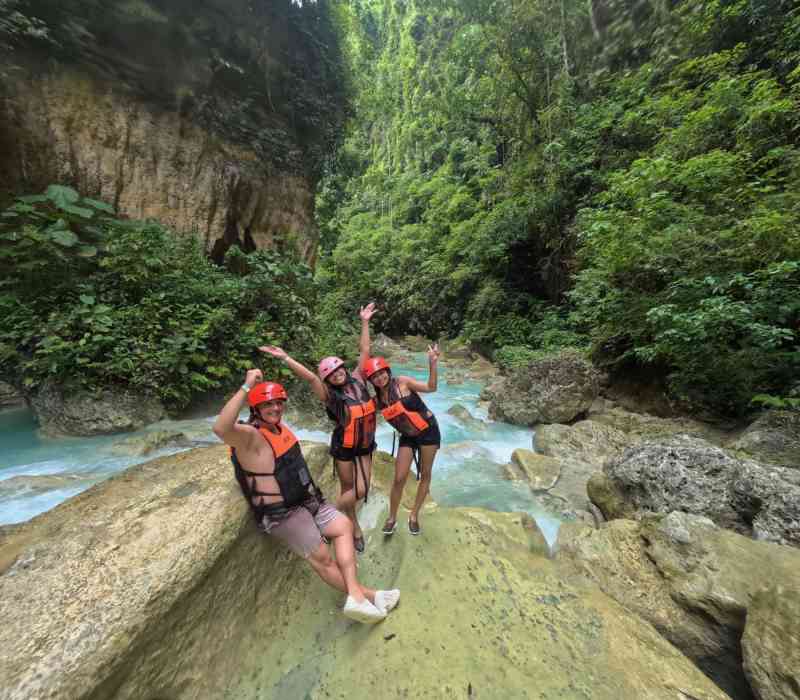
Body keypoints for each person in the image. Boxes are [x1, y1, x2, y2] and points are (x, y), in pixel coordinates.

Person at [212, 368, 398, 623]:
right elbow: (221, 428)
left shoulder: (279, 428)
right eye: (268, 404)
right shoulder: (250, 437)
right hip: (282, 512)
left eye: (278, 403)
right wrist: (246, 387)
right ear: (255, 408)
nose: (275, 408)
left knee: (344, 525)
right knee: (322, 557)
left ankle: (357, 595)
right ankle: (368, 595)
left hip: (307, 501)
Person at [260, 303, 378, 553]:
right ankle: (351, 525)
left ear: (345, 369)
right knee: (349, 489)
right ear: (328, 380)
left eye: (338, 370)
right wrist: (285, 358)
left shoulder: (358, 379)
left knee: (363, 488)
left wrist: (365, 321)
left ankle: (328, 511)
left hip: (365, 444)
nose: (337, 375)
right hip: (344, 447)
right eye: (331, 374)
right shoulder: (331, 397)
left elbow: (365, 349)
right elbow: (312, 378)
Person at [361, 314, 441, 536]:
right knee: (399, 477)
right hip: (408, 436)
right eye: (374, 377)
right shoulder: (378, 401)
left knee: (425, 474)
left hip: (428, 431)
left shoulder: (403, 382)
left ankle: (414, 514)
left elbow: (431, 387)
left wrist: (432, 364)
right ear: (371, 381)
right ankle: (392, 517)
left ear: (387, 372)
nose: (379, 379)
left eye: (381, 374)